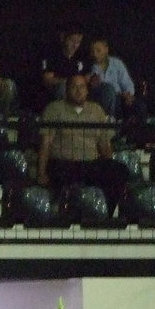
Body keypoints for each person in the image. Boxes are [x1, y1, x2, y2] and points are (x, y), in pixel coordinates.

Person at [37, 74, 129, 217]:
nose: (78, 90)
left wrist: (108, 163)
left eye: (82, 87)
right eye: (74, 87)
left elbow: (105, 144)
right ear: (66, 90)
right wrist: (41, 173)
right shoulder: (54, 109)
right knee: (60, 176)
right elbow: (46, 143)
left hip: (90, 164)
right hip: (63, 164)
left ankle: (106, 214)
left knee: (119, 171)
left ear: (87, 90)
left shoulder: (97, 110)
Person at [88, 36, 147, 120]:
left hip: (121, 98)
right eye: (92, 51)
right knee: (110, 93)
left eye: (98, 51)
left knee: (140, 107)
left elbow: (127, 83)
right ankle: (110, 126)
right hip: (102, 99)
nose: (95, 54)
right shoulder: (89, 67)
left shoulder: (116, 63)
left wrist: (128, 95)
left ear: (106, 49)